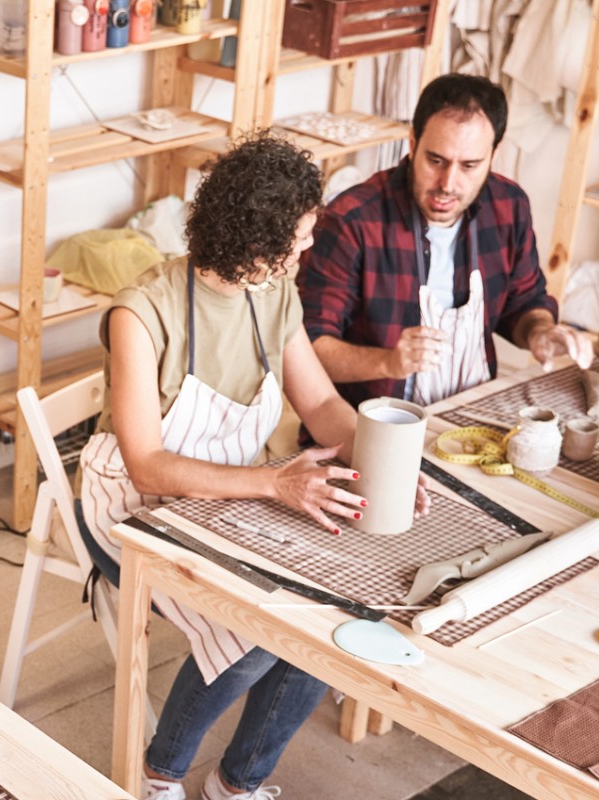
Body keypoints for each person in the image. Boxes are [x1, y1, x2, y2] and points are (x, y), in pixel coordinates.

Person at [78, 136, 420, 800]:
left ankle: (237, 784)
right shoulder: (141, 314)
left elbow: (320, 404)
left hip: (231, 490)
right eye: (301, 237)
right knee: (254, 629)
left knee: (340, 612)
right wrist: (273, 482)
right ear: (259, 244)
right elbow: (147, 466)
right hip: (130, 504)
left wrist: (388, 464)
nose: (308, 249)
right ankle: (160, 773)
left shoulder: (275, 293)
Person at [299, 74, 592, 409]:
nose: (448, 184)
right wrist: (388, 362)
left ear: (493, 155)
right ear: (412, 144)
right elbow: (309, 348)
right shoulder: (352, 220)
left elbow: (524, 302)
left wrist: (541, 333)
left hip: (471, 414)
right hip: (371, 424)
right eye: (435, 161)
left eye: (469, 165)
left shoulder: (509, 206)